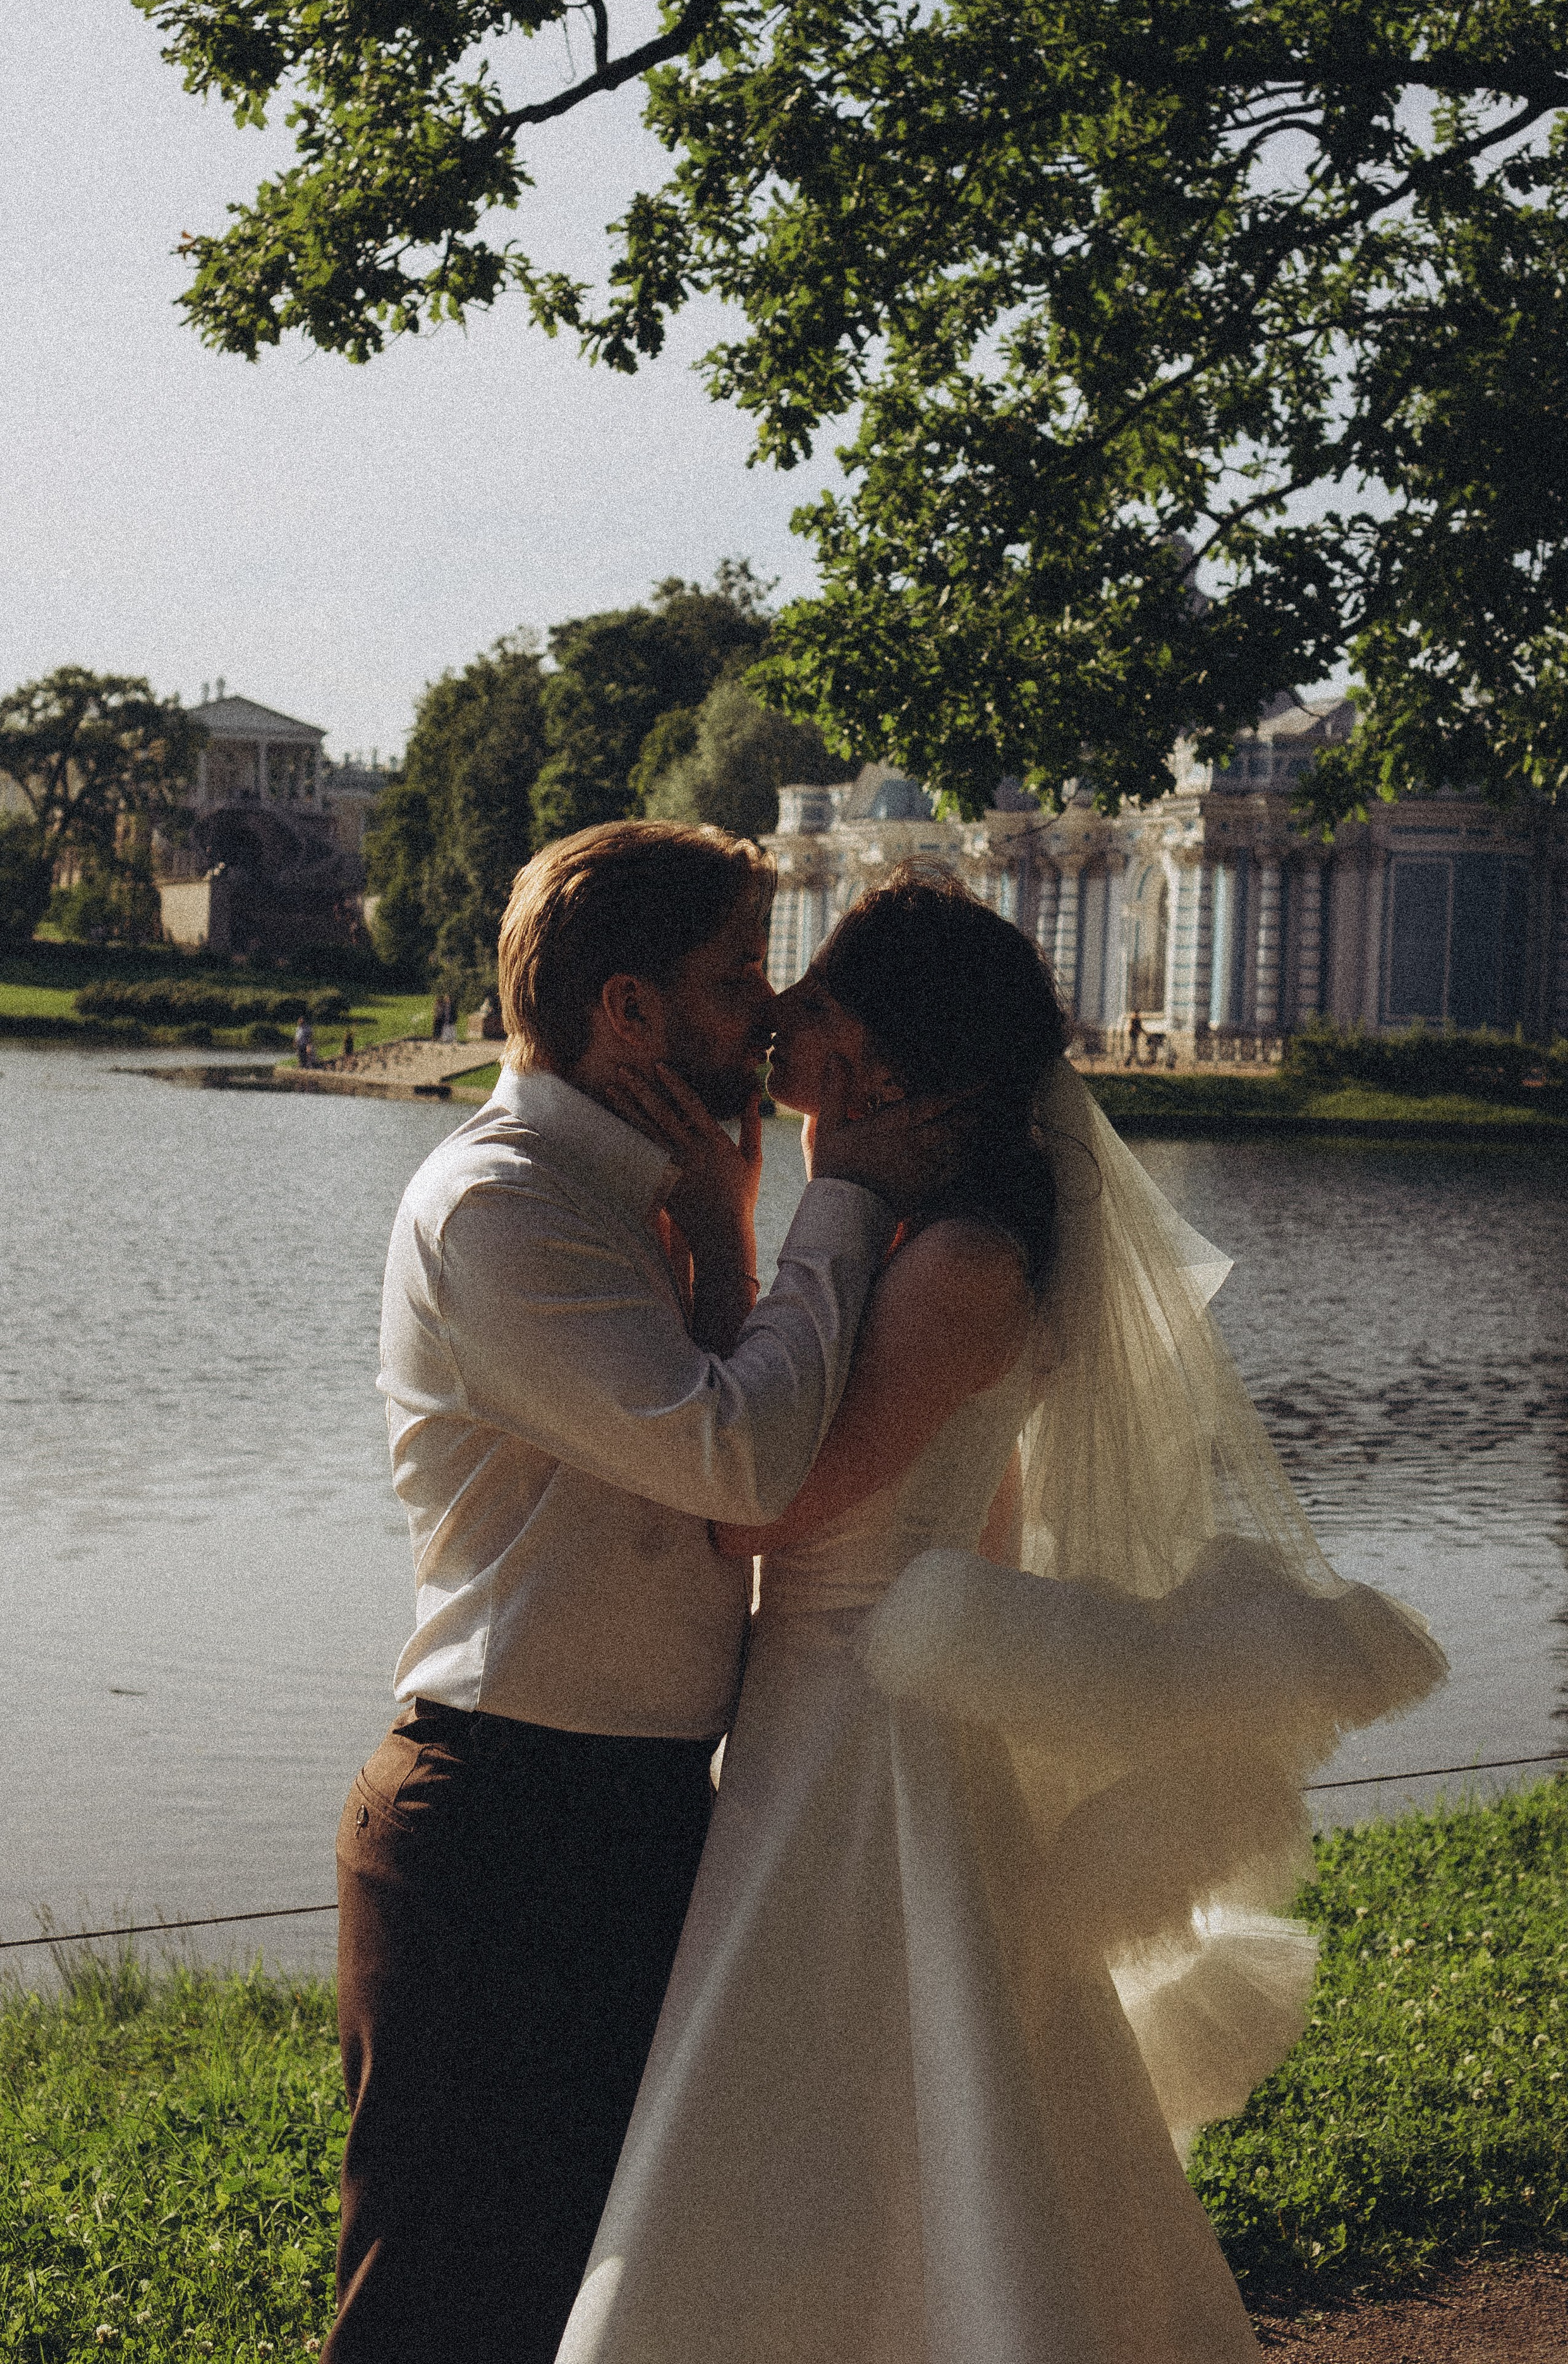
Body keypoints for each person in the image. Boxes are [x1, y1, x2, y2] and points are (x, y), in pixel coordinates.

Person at [559, 865, 1446, 2364]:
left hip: (860, 1735)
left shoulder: (957, 1264)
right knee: (866, 2094)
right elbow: (981, 1524)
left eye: (814, 996)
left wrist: (746, 1231)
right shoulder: (928, 1248)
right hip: (835, 1706)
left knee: (864, 2082)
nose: (776, 1012)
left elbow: (751, 1511)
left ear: (877, 1061)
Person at [322, 824, 961, 2364]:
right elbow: (740, 1462)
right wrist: (846, 1199)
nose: (767, 1009)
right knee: (438, 2314)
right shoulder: (503, 1206)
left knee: (607, 2302)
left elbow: (725, 1425)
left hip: (637, 1814)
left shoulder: (646, 1188)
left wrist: (731, 1223)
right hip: (502, 1826)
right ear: (626, 1011)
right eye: (734, 977)